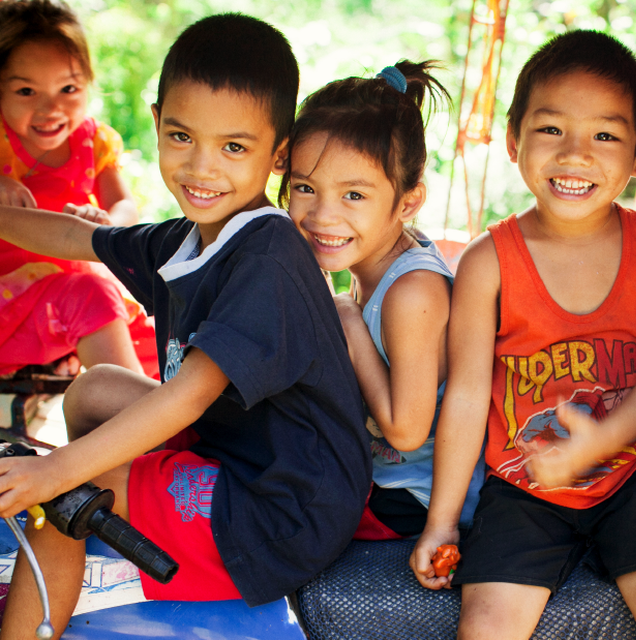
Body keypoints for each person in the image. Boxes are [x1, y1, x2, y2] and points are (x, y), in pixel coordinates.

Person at [0, 14, 370, 640]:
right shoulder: (189, 237)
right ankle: (133, 497)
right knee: (93, 391)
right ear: (155, 122)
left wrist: (53, 473)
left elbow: (189, 393)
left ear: (278, 153)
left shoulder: (270, 254)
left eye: (234, 147)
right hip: (239, 451)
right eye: (181, 137)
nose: (202, 169)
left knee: (62, 497)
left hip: (281, 511)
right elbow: (76, 234)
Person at [409, 30, 636, 640]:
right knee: (485, 626)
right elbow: (465, 394)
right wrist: (442, 522)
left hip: (635, 475)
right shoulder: (488, 260)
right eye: (551, 130)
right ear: (514, 140)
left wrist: (595, 445)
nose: (575, 155)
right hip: (522, 487)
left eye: (605, 135)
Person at [279, 61, 485, 540]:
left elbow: (406, 431)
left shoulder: (411, 294)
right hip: (379, 478)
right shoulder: (370, 260)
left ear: (408, 202)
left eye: (354, 195)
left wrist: (348, 322)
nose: (322, 215)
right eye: (306, 188)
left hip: (410, 498)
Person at [0, 0, 152, 377]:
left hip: (67, 299)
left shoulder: (93, 141)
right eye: (26, 92)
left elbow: (124, 207)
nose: (51, 109)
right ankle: (138, 425)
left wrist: (105, 222)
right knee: (93, 299)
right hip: (10, 310)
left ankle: (189, 428)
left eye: (68, 88)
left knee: (158, 326)